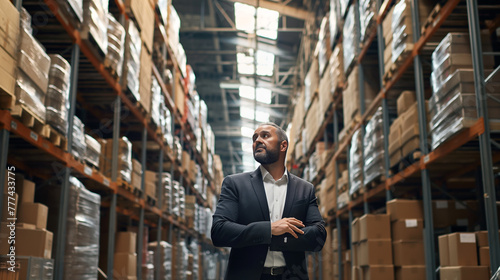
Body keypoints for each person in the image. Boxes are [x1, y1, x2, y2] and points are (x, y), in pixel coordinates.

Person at [211, 122, 327, 280]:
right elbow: (219, 231)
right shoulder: (235, 184)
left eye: (265, 136)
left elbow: (318, 235)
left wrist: (276, 238)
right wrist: (270, 229)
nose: (257, 140)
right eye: (255, 138)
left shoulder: (305, 189)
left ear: (283, 145)